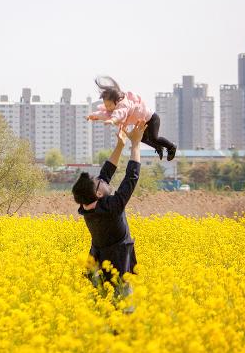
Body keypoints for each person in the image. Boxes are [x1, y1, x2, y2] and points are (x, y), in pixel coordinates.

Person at [72, 120, 147, 302]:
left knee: (100, 307)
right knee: (122, 309)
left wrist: (120, 145)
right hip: (118, 269)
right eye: (100, 183)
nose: (103, 180)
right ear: (98, 193)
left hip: (97, 266)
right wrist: (135, 144)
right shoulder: (112, 208)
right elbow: (131, 178)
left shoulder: (85, 206)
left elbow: (106, 173)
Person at [86, 76, 177, 161]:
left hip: (152, 119)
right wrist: (94, 116)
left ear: (116, 100)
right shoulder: (114, 108)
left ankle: (171, 147)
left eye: (109, 105)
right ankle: (158, 147)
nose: (108, 108)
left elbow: (119, 114)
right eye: (106, 106)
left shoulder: (124, 105)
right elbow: (105, 113)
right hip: (143, 122)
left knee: (154, 138)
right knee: (141, 139)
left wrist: (113, 120)